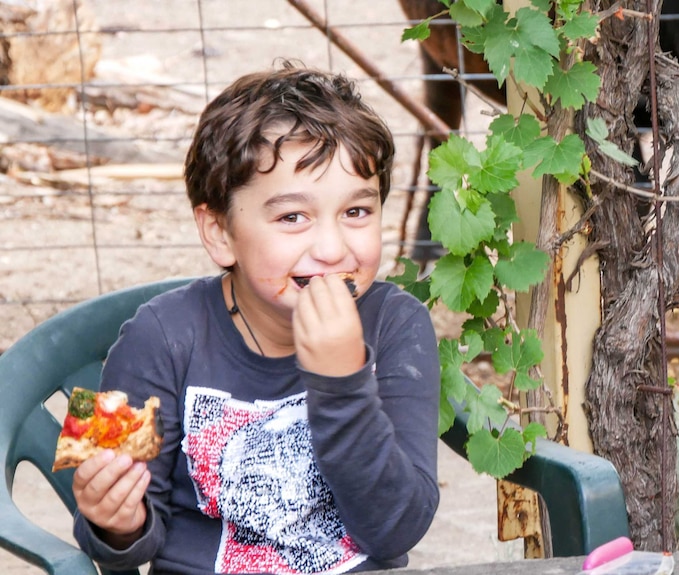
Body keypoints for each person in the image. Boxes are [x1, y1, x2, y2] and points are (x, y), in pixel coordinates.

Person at [71, 59, 441, 574]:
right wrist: (113, 519)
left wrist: (342, 383)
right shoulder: (154, 334)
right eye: (293, 217)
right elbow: (106, 517)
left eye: (357, 211)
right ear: (219, 232)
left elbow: (399, 528)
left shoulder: (398, 323)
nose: (333, 249)